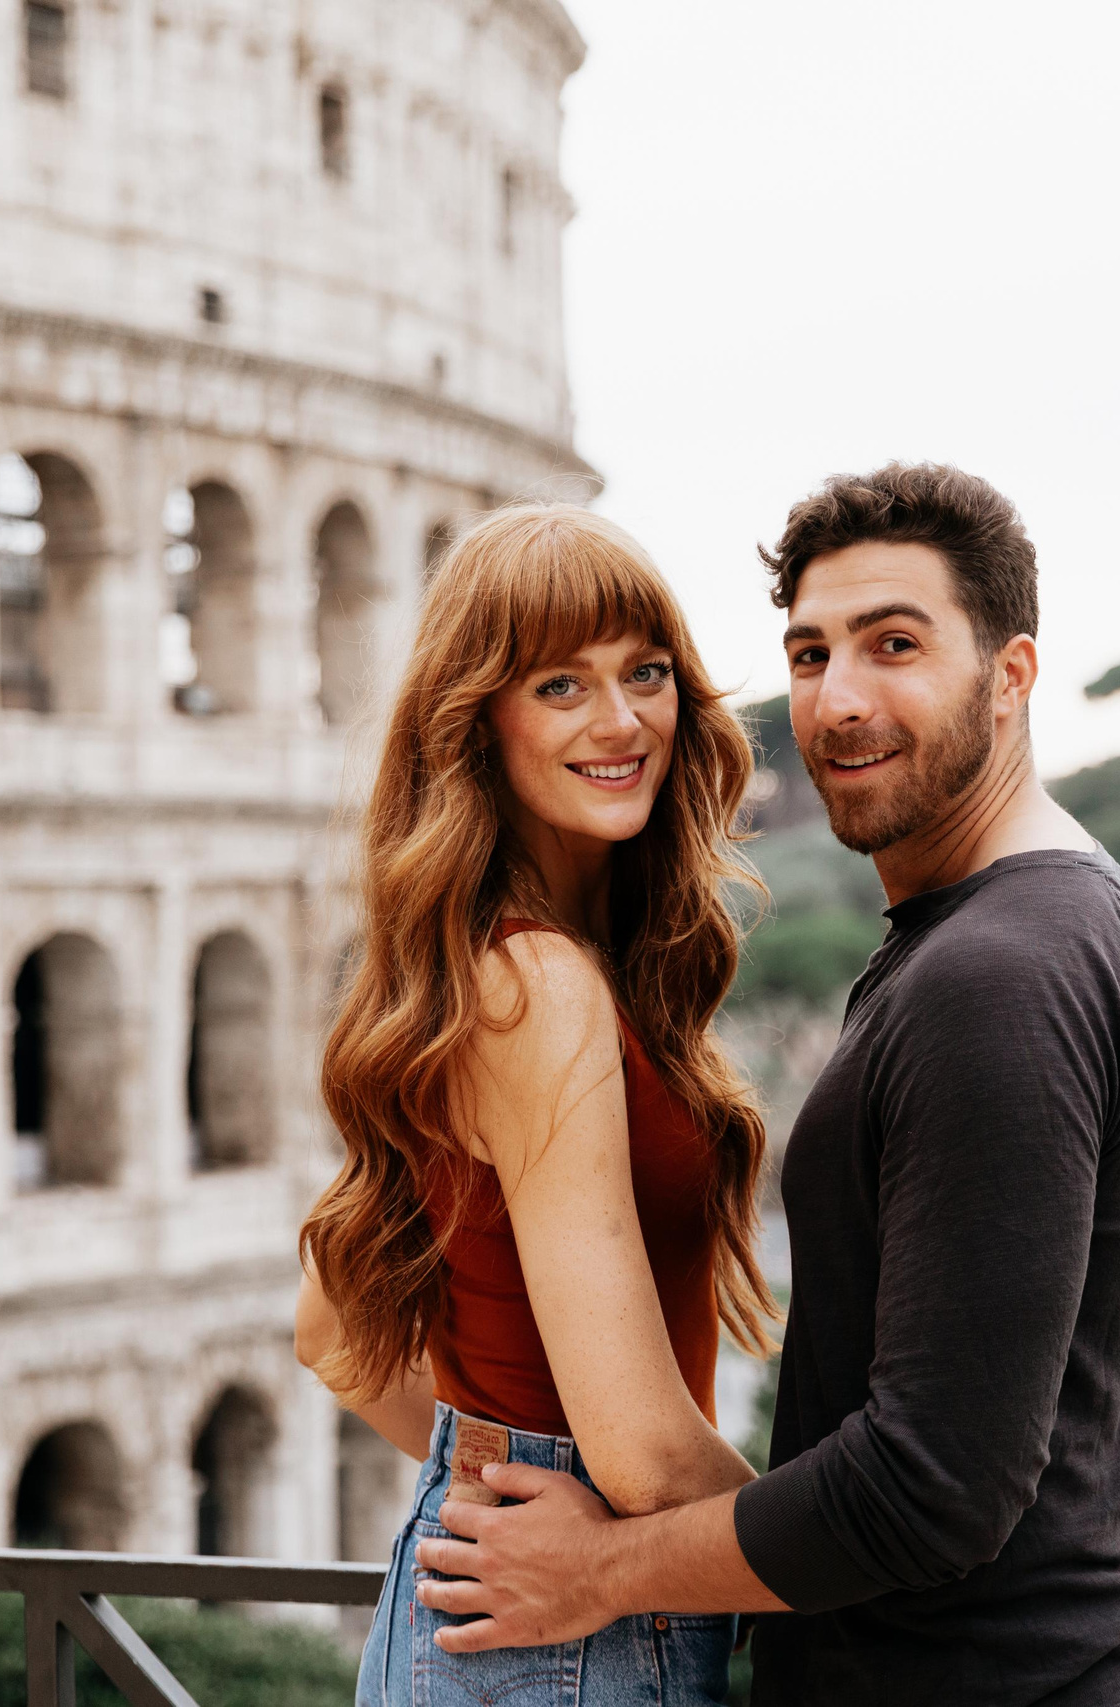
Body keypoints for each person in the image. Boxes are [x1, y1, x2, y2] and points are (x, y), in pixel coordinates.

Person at [409, 464, 1120, 1707]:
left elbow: (929, 1490)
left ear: (1012, 675)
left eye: (894, 645)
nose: (839, 699)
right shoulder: (1104, 913)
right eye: (810, 654)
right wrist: (1056, 1531)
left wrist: (602, 1572)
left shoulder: (994, 979)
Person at [293, 503, 779, 1707]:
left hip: (527, 1621)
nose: (622, 722)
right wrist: (866, 1561)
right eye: (560, 685)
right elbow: (646, 1458)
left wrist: (492, 1465)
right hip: (576, 1631)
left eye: (646, 673)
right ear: (478, 722)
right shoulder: (540, 988)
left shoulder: (499, 969)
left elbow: (330, 1335)